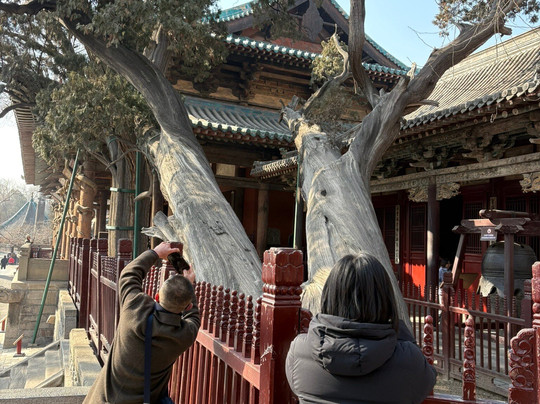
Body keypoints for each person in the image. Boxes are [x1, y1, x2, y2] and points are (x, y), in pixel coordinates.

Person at [286, 253, 436, 404]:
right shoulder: (409, 361)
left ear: (329, 297)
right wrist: (398, 328)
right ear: (385, 299)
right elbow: (427, 380)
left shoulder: (299, 351)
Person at [83, 242, 200, 404]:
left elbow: (129, 275)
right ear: (187, 306)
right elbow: (193, 317)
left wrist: (155, 253)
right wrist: (189, 286)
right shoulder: (184, 335)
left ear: (157, 296)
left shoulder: (136, 309)